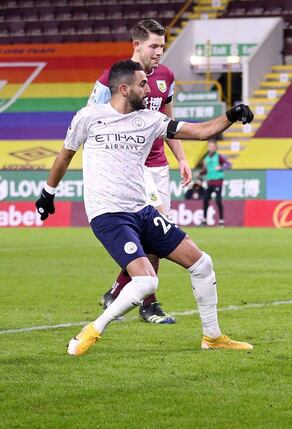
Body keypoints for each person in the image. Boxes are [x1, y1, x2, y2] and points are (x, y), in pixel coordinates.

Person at [35, 59, 255, 356]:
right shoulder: (88, 117)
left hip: (142, 211)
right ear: (124, 89)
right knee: (147, 279)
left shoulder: (150, 119)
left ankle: (213, 337)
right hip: (109, 214)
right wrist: (48, 194)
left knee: (202, 264)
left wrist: (231, 115)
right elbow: (64, 157)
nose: (149, 89)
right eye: (142, 84)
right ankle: (92, 331)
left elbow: (201, 132)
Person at [89, 18, 191, 325]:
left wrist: (182, 159)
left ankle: (120, 291)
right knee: (155, 231)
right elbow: (91, 118)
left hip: (157, 165)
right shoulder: (113, 77)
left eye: (163, 45)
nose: (160, 51)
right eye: (154, 45)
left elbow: (169, 122)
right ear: (137, 45)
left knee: (157, 236)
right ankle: (149, 304)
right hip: (128, 166)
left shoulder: (166, 76)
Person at [199, 140, 230, 226]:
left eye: (212, 146)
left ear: (216, 148)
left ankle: (221, 221)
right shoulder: (206, 159)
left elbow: (228, 164)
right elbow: (205, 170)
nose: (211, 148)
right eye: (210, 146)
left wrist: (221, 167)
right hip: (209, 182)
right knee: (205, 200)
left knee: (218, 201)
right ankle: (204, 220)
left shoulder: (219, 156)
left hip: (218, 182)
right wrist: (199, 174)